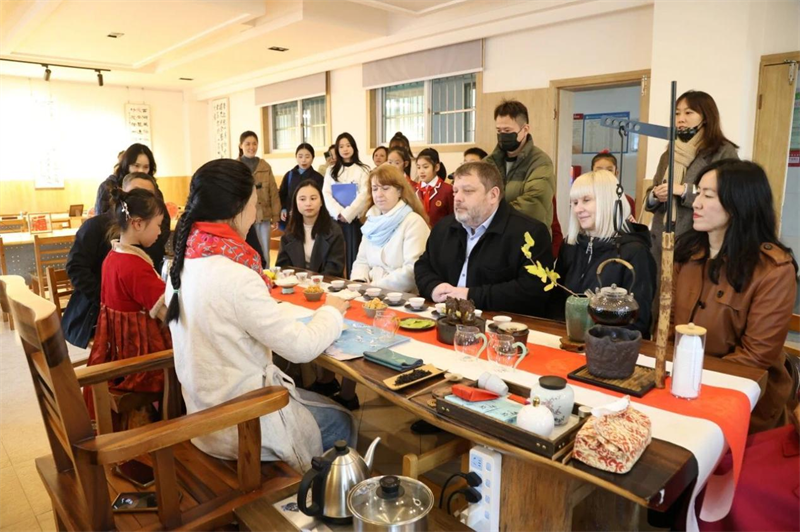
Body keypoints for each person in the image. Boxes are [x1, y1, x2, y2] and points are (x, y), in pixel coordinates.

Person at [165, 159, 353, 472]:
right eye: (254, 204)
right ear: (237, 208)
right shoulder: (236, 275)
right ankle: (315, 499)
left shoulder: (184, 260)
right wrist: (332, 310)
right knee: (341, 421)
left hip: (201, 413)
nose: (255, 214)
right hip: (242, 423)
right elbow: (301, 348)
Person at [673, 160, 797, 433]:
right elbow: (669, 324)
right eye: (697, 193)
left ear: (738, 204)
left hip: (745, 402)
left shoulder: (774, 270)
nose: (696, 203)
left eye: (708, 196)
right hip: (679, 387)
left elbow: (755, 357)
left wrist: (690, 377)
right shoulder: (688, 253)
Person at [414, 161, 553, 315]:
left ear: (493, 195)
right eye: (455, 191)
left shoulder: (530, 233)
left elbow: (532, 291)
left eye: (468, 191)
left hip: (501, 322)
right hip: (443, 316)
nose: (457, 198)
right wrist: (433, 287)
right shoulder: (444, 227)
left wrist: (470, 295)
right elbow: (423, 265)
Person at [83, 185, 171, 424]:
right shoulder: (135, 266)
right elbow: (169, 314)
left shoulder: (113, 258)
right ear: (138, 224)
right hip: (140, 359)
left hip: (116, 351)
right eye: (158, 225)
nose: (160, 231)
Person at [63, 173, 166, 348]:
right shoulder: (131, 262)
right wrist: (107, 299)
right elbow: (168, 313)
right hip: (117, 329)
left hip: (123, 331)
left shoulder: (116, 253)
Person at [551, 170, 656, 339]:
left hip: (612, 345)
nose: (578, 209)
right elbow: (555, 301)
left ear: (607, 201)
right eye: (575, 202)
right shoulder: (570, 246)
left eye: (586, 200)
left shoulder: (635, 253)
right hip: (567, 340)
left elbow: (638, 320)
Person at [645, 91, 738, 266]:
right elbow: (652, 189)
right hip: (661, 239)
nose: (681, 119)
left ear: (706, 117)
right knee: (659, 281)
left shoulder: (723, 151)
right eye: (677, 113)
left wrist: (684, 191)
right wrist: (655, 195)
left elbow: (729, 195)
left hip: (697, 239)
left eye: (688, 113)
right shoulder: (669, 153)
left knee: (689, 282)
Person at [350, 165, 430, 293]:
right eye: (375, 189)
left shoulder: (413, 222)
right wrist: (360, 282)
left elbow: (412, 269)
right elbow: (361, 261)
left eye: (385, 188)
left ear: (399, 191)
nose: (379, 194)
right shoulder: (371, 221)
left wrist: (374, 287)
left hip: (401, 295)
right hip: (369, 291)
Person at [484, 100, 555, 230]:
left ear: (525, 129)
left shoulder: (540, 162)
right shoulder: (488, 162)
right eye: (499, 130)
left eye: (507, 130)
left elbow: (534, 203)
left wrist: (492, 216)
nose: (502, 135)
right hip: (494, 235)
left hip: (528, 235)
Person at [322, 132, 371, 275]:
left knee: (353, 255)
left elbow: (364, 194)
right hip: (335, 220)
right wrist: (339, 213)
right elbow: (326, 193)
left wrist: (348, 214)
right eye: (341, 146)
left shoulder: (363, 169)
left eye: (348, 145)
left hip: (353, 221)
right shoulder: (331, 170)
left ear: (354, 147)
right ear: (337, 149)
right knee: (336, 255)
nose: (345, 149)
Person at [276, 179, 346, 276]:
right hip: (296, 282)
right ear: (295, 203)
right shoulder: (289, 232)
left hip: (325, 282)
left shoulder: (334, 231)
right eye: (302, 199)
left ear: (321, 202)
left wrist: (313, 282)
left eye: (313, 198)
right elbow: (283, 266)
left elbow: (334, 268)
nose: (308, 203)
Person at [238, 130, 280, 260]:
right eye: (247, 144)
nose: (251, 147)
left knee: (264, 252)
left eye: (254, 144)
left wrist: (276, 216)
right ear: (241, 145)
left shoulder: (265, 166)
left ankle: (265, 272)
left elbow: (273, 192)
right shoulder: (235, 166)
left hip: (263, 216)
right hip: (242, 218)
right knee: (246, 251)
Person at [95, 143, 155, 215]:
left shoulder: (152, 188)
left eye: (146, 167)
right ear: (126, 165)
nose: (141, 171)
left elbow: (162, 217)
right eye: (136, 166)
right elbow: (100, 219)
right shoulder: (107, 187)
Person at [279, 143, 324, 229]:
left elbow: (321, 199)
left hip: (311, 219)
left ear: (313, 158)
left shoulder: (318, 178)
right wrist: (283, 208)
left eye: (307, 157)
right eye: (300, 156)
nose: (303, 160)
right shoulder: (289, 175)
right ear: (296, 157)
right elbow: (282, 194)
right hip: (291, 219)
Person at [414, 148, 453, 228]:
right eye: (418, 167)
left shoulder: (447, 190)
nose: (421, 171)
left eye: (425, 167)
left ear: (436, 167)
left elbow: (453, 218)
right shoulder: (413, 190)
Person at [591, 151, 636, 219]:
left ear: (616, 173)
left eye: (609, 170)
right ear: (592, 173)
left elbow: (631, 224)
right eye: (599, 170)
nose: (604, 174)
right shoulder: (585, 198)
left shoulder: (627, 200)